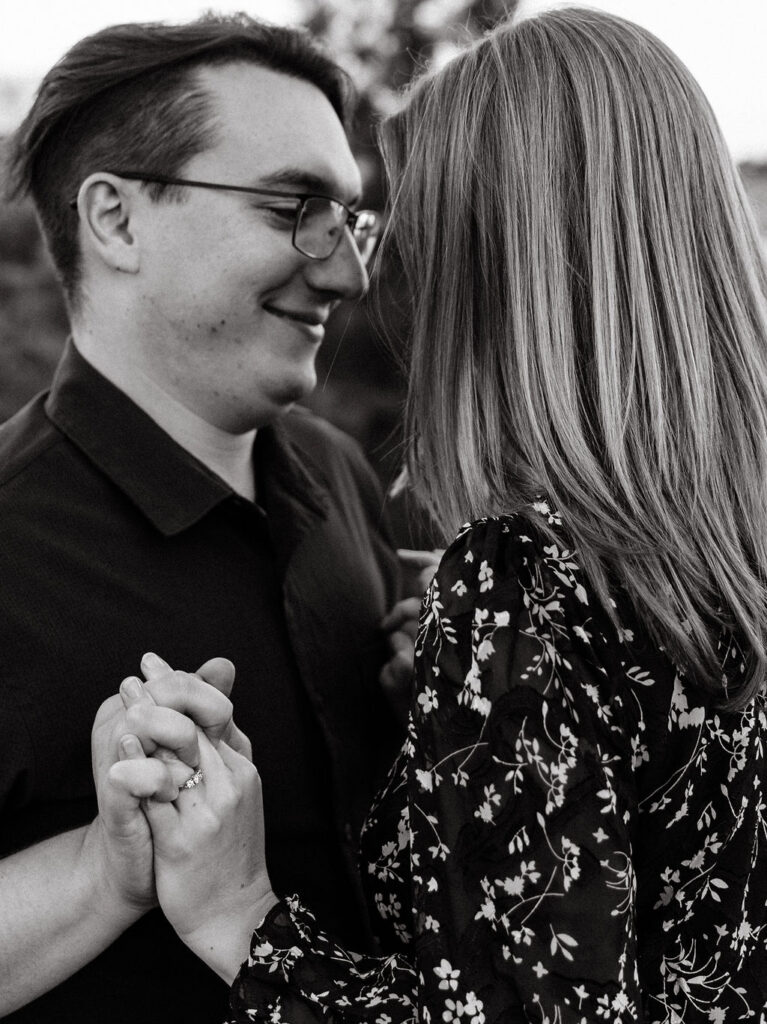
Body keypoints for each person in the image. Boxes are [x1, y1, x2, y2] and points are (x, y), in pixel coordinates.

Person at [102, 6, 767, 1022]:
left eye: (413, 240)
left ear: (495, 267)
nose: (370, 277)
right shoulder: (709, 553)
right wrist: (495, 722)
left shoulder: (528, 584)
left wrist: (242, 918)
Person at [0, 14, 426, 1021]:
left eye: (348, 221)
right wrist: (106, 869)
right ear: (115, 220)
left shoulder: (337, 473)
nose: (345, 273)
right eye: (293, 206)